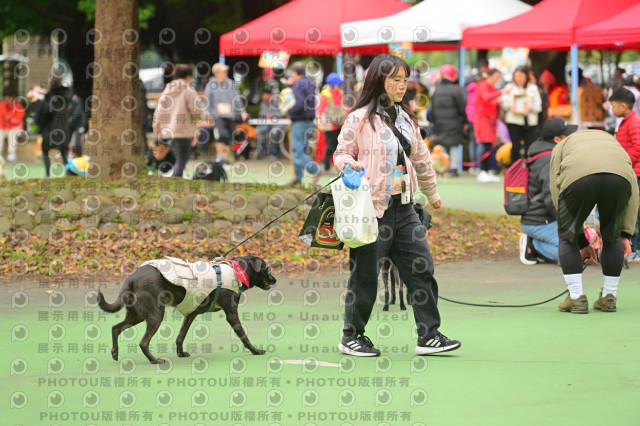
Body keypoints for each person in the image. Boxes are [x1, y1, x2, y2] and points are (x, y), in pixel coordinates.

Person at [333, 54, 461, 357]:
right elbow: (341, 153)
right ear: (379, 81)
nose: (402, 86)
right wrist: (349, 165)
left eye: (404, 80)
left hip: (404, 207)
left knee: (422, 268)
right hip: (371, 210)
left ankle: (429, 335)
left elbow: (421, 158)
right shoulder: (359, 118)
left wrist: (432, 193)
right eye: (395, 80)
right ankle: (352, 336)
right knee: (365, 276)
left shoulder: (406, 117)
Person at [550, 130, 639, 313]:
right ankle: (609, 297)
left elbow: (556, 190)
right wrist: (625, 233)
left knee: (566, 235)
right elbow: (634, 192)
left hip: (578, 178)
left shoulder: (561, 147)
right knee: (612, 236)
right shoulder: (615, 145)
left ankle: (576, 298)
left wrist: (576, 237)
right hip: (619, 179)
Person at [519, 118, 578, 265]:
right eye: (567, 136)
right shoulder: (549, 159)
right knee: (575, 252)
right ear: (557, 139)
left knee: (580, 245)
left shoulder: (545, 152)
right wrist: (568, 223)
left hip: (543, 218)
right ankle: (533, 245)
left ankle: (538, 242)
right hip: (539, 221)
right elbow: (551, 197)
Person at [153, 64, 210, 178]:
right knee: (183, 159)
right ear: (188, 76)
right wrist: (208, 117)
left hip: (168, 130)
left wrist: (156, 128)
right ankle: (175, 181)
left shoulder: (167, 90)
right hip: (183, 131)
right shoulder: (189, 91)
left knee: (178, 159)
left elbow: (158, 111)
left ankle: (176, 179)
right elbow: (197, 110)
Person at [609, 88, 640, 262]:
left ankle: (634, 249)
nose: (612, 110)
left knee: (634, 212)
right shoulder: (626, 122)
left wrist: (624, 163)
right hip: (630, 172)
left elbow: (638, 146)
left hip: (634, 174)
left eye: (613, 106)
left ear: (623, 106)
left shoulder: (633, 122)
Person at [204, 63, 247, 163]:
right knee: (221, 135)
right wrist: (207, 115)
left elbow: (237, 99)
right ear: (216, 73)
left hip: (230, 115)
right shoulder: (210, 85)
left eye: (225, 71)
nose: (225, 73)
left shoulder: (231, 83)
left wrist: (242, 111)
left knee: (232, 136)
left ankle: (229, 158)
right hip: (217, 116)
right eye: (223, 71)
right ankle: (222, 159)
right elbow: (207, 102)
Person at [287, 61, 321, 187]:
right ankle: (297, 179)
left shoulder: (298, 85)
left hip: (299, 121)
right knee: (302, 151)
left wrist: (289, 110)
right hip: (309, 121)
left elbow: (300, 103)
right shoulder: (309, 83)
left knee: (297, 152)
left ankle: (316, 170)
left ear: (295, 73)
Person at [430, 64, 468, 177]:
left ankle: (443, 168)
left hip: (439, 123)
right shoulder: (455, 90)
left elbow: (432, 109)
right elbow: (462, 107)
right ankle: (454, 168)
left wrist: (435, 122)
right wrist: (465, 121)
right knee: (454, 145)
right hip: (454, 123)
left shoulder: (436, 90)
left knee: (443, 144)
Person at [34, 73, 74, 178]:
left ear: (50, 80)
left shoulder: (49, 97)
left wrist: (39, 126)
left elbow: (45, 113)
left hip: (50, 129)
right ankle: (68, 172)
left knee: (45, 151)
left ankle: (47, 174)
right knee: (64, 152)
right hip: (63, 129)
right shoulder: (66, 95)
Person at [502, 66, 542, 165]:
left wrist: (530, 109)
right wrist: (510, 107)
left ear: (526, 76)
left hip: (530, 122)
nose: (519, 79)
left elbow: (538, 106)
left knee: (530, 146)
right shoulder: (509, 88)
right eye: (517, 76)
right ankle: (515, 168)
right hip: (514, 121)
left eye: (521, 76)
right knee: (516, 146)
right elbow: (503, 102)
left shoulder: (532, 88)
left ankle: (531, 168)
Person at [474, 68, 503, 183]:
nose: (497, 79)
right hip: (483, 119)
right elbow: (487, 97)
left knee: (489, 145)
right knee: (485, 145)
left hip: (491, 120)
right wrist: (502, 92)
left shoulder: (492, 88)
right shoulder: (483, 85)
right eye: (496, 77)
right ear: (490, 76)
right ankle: (482, 170)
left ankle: (486, 170)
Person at [317, 72, 345, 174]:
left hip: (339, 123)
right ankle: (326, 167)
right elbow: (320, 109)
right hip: (329, 125)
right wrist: (320, 122)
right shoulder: (325, 95)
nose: (340, 86)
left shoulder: (340, 93)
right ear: (333, 84)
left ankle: (336, 167)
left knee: (338, 146)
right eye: (339, 84)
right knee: (330, 146)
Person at [256, 90, 284, 159]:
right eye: (264, 99)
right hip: (267, 124)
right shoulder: (263, 103)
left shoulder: (279, 101)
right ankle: (265, 153)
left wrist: (272, 116)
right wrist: (265, 116)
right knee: (259, 131)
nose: (266, 100)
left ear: (271, 95)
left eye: (267, 98)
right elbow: (261, 114)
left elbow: (283, 114)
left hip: (278, 123)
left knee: (274, 132)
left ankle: (275, 153)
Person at [0, 90, 25, 163]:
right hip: (4, 127)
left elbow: (19, 120)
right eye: (5, 99)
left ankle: (12, 153)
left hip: (16, 128)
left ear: (12, 98)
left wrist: (10, 119)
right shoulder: (1, 105)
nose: (6, 101)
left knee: (12, 133)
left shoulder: (18, 106)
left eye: (8, 98)